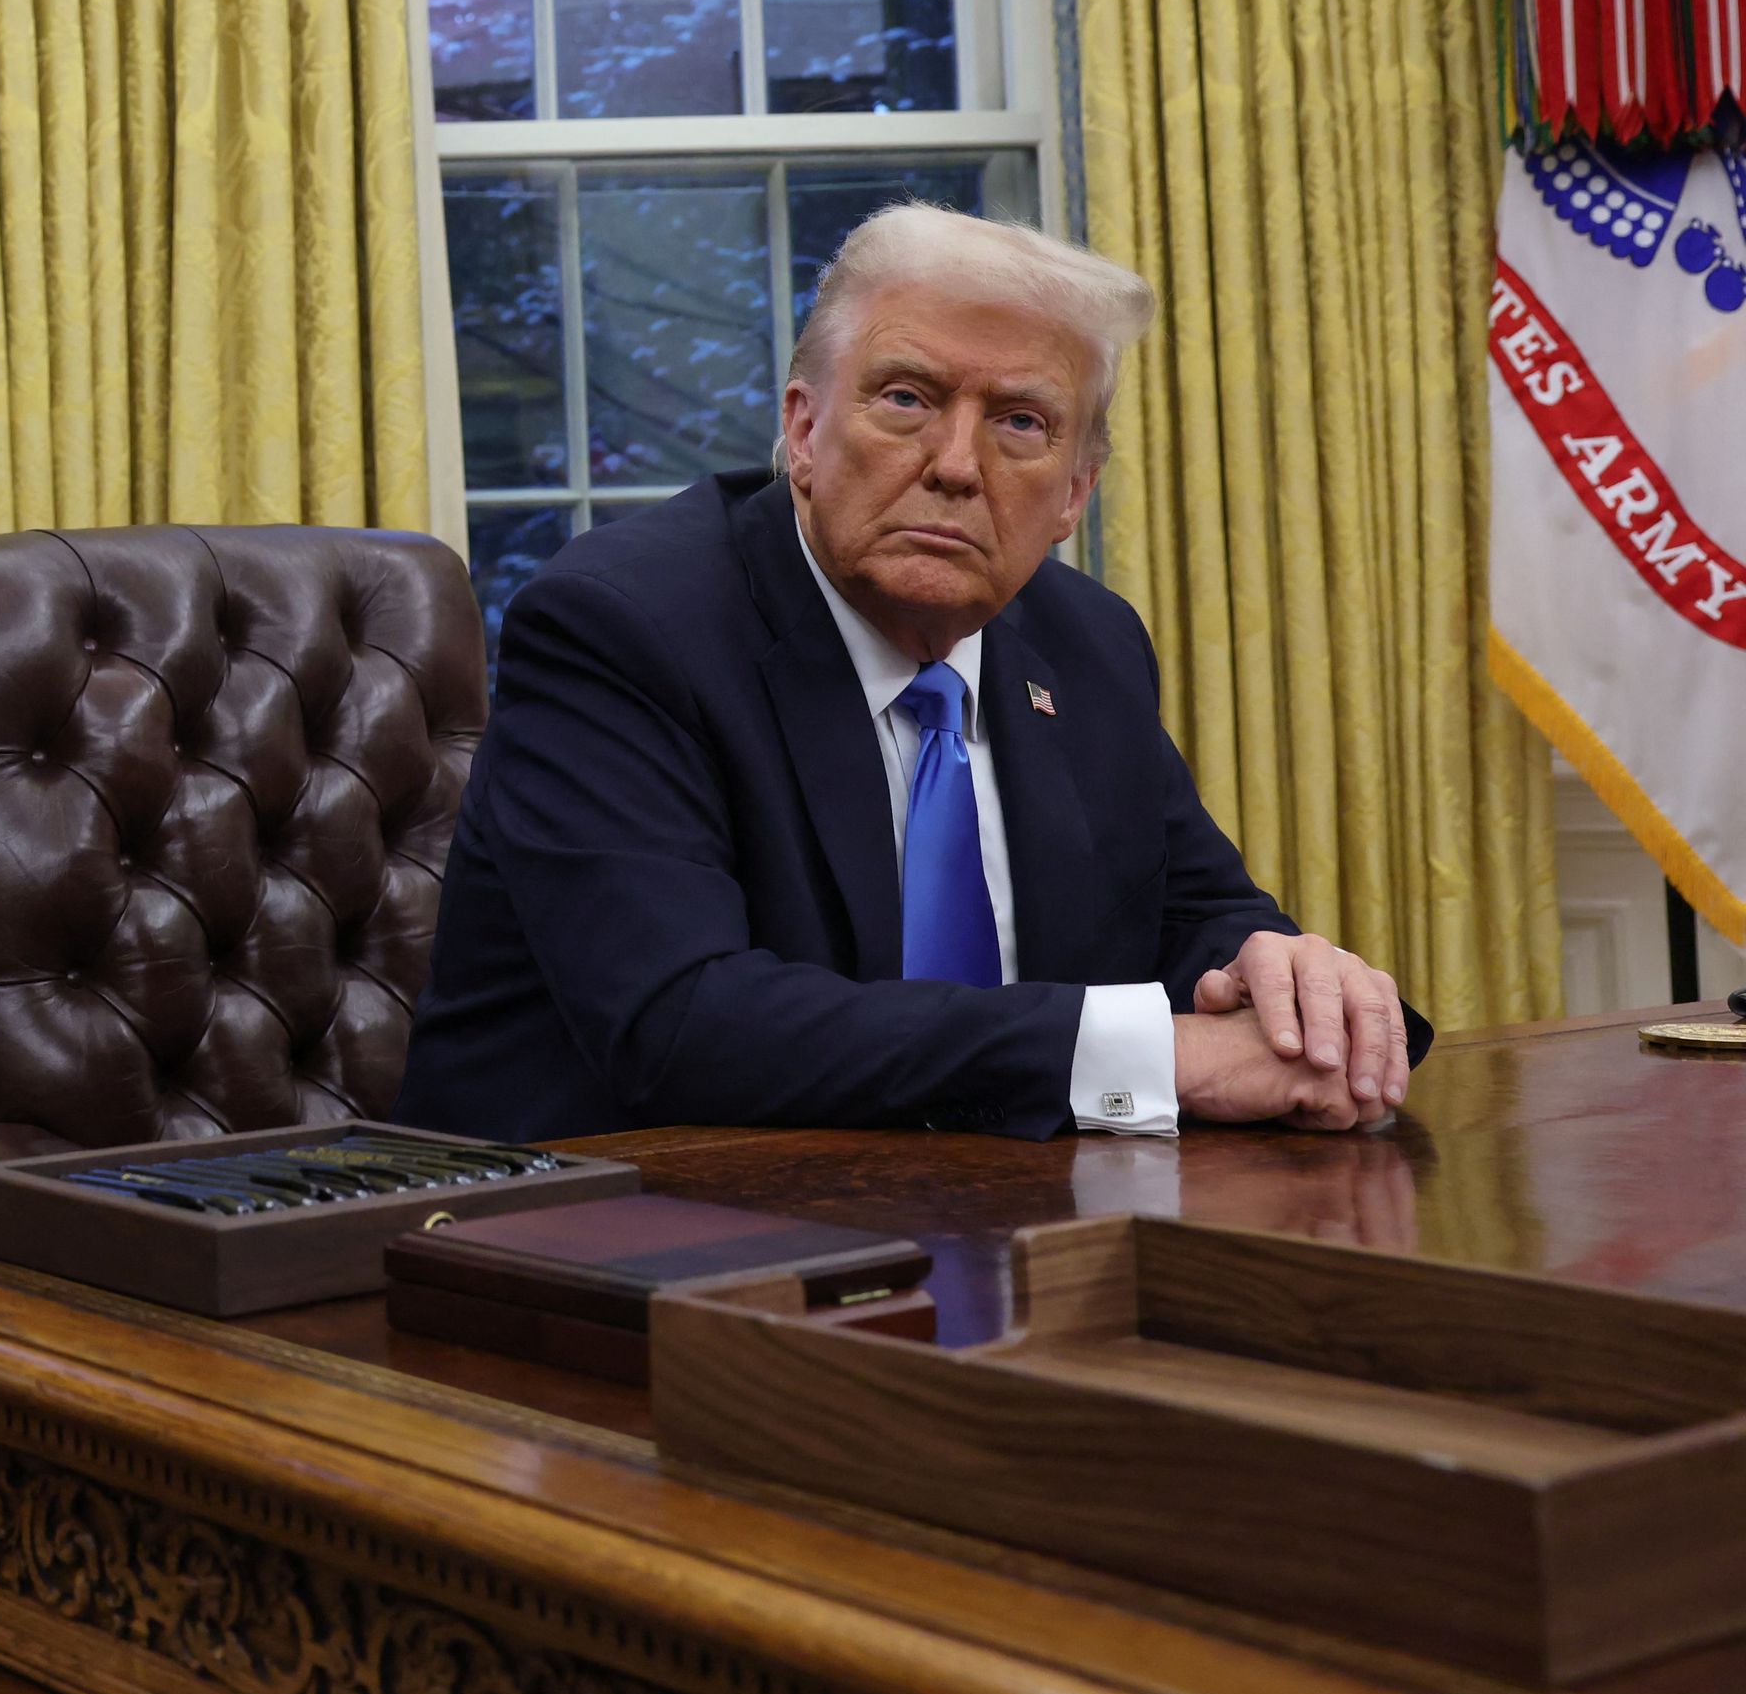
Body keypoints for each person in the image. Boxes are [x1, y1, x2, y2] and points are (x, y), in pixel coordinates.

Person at [399, 205, 1426, 1142]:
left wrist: (1285, 982)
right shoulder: (621, 627)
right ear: (801, 431)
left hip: (1008, 1237)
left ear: (1074, 493)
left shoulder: (1087, 643)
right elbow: (684, 1025)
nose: (955, 464)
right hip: (602, 1256)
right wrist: (1153, 1054)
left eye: (1019, 420)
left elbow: (1187, 916)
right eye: (906, 398)